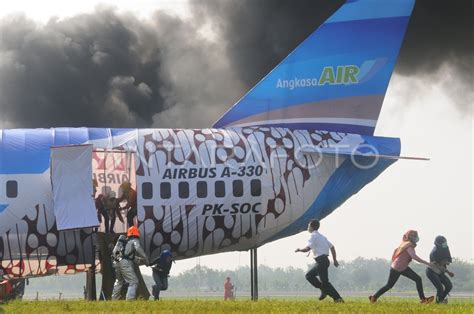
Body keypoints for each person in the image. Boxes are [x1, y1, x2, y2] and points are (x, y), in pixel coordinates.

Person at [369, 230, 434, 304]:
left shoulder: (405, 244)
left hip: (400, 267)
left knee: (417, 279)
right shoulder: (409, 246)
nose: (416, 238)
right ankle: (374, 297)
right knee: (390, 285)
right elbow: (414, 257)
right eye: (414, 236)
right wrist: (427, 263)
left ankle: (423, 299)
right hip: (399, 268)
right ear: (410, 237)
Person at [295, 219, 343, 302]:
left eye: (308, 226)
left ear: (312, 227)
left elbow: (307, 249)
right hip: (324, 261)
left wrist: (299, 249)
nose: (307, 228)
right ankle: (328, 293)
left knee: (314, 278)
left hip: (321, 261)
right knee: (318, 279)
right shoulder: (322, 237)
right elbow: (332, 247)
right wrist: (334, 260)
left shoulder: (313, 236)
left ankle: (336, 297)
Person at [111, 226, 149, 300]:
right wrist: (145, 258)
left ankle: (114, 299)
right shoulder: (134, 240)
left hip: (117, 262)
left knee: (119, 281)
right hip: (125, 263)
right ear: (136, 234)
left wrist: (140, 260)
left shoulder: (125, 242)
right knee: (133, 281)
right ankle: (130, 300)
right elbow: (138, 248)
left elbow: (129, 256)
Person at [426, 235, 454, 303]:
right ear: (437, 244)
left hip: (440, 271)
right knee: (440, 288)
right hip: (432, 271)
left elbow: (448, 260)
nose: (444, 244)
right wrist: (448, 271)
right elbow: (437, 265)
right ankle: (438, 302)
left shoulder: (446, 248)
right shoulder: (434, 252)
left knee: (449, 286)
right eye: (443, 243)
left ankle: (441, 300)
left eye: (445, 242)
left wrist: (444, 263)